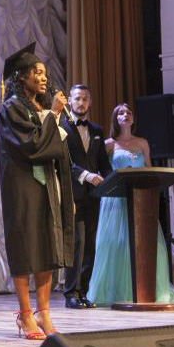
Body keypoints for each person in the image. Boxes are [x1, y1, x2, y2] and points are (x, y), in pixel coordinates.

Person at [0, 42, 74, 340]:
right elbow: (31, 146)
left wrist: (52, 115)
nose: (43, 78)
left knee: (47, 247)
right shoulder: (11, 108)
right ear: (21, 77)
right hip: (23, 186)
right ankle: (24, 314)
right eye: (37, 73)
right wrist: (53, 116)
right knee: (25, 247)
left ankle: (44, 313)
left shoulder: (40, 108)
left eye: (44, 73)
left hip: (47, 186)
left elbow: (56, 148)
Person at [86, 103, 174, 305]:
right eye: (121, 112)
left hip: (141, 200)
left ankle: (146, 290)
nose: (126, 115)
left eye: (129, 112)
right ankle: (114, 292)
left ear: (133, 119)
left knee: (144, 243)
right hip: (116, 201)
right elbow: (102, 171)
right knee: (116, 244)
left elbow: (148, 167)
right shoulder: (108, 144)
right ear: (115, 119)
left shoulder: (142, 143)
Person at [61, 85, 112, 309]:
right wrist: (86, 175)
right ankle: (71, 293)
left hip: (95, 195)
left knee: (91, 245)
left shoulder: (97, 130)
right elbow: (63, 163)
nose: (81, 103)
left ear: (90, 103)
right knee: (77, 244)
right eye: (77, 98)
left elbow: (103, 164)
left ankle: (84, 292)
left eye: (85, 99)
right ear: (70, 102)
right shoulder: (61, 127)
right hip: (72, 193)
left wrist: (114, 181)